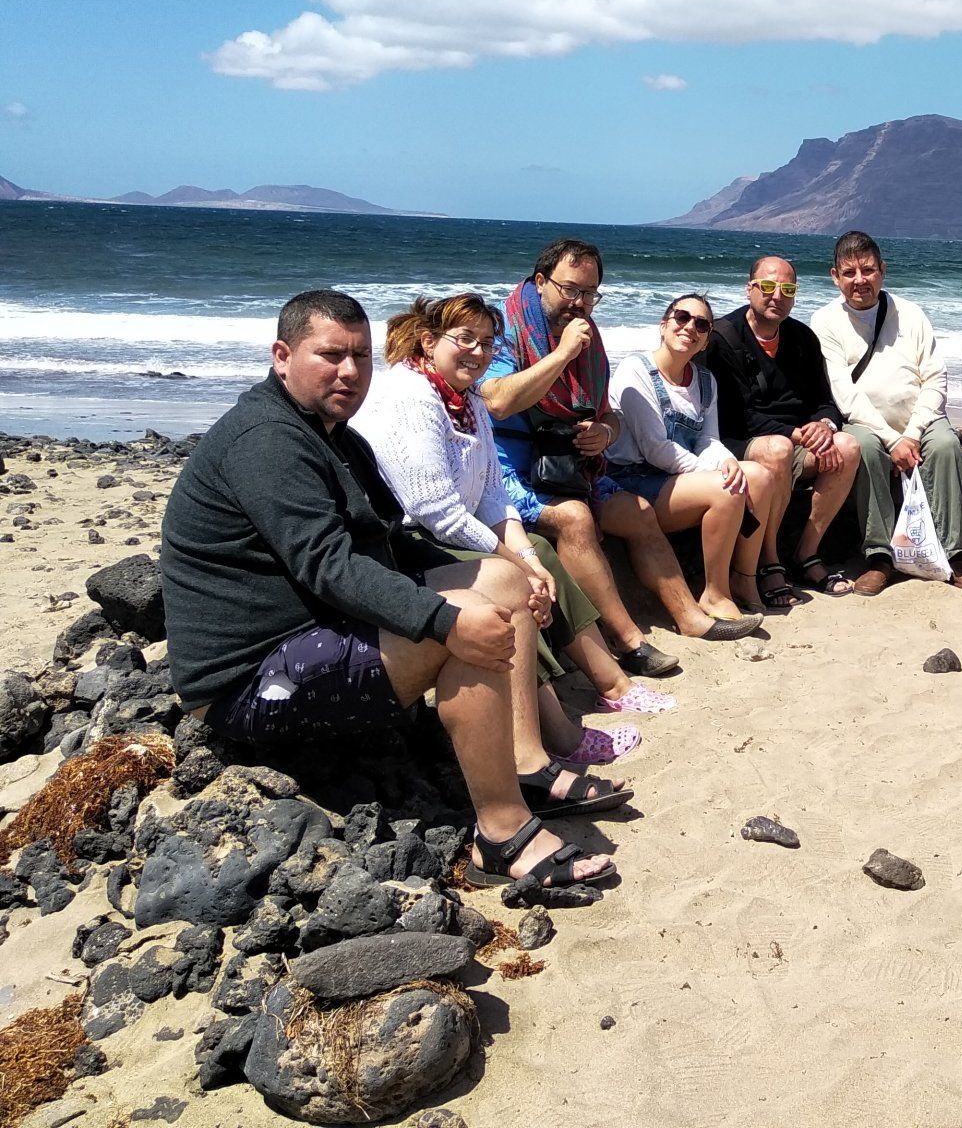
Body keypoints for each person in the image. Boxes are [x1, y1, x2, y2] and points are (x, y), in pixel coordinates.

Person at [160, 290, 623, 891]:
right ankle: (501, 835)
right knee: (466, 626)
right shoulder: (267, 440)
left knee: (502, 580)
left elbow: (387, 541)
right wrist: (444, 620)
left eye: (360, 356)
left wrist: (513, 577)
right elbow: (328, 565)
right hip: (247, 679)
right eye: (330, 355)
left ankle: (524, 764)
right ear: (282, 356)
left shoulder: (336, 436)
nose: (349, 372)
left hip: (311, 624)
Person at [356, 295, 674, 764]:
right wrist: (518, 568)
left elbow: (491, 495)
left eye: (487, 343)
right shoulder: (412, 396)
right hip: (405, 538)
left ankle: (613, 684)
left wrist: (526, 557)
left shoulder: (467, 398)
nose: (478, 352)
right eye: (465, 339)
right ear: (428, 341)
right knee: (510, 585)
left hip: (448, 527)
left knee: (541, 550)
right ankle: (558, 734)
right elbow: (434, 510)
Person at [480, 238, 755, 649]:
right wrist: (562, 354)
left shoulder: (588, 341)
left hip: (573, 468)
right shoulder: (503, 329)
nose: (579, 303)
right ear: (540, 282)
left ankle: (691, 618)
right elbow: (498, 401)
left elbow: (609, 414)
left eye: (590, 294)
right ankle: (629, 641)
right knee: (576, 519)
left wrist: (604, 433)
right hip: (513, 472)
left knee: (638, 511)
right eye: (570, 289)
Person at [809, 231, 962, 597]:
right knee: (864, 448)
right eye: (850, 272)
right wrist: (893, 441)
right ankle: (879, 557)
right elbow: (844, 394)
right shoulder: (825, 321)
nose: (860, 280)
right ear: (835, 276)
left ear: (883, 271)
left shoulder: (911, 314)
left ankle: (952, 556)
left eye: (868, 270)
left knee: (946, 446)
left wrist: (913, 434)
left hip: (919, 419)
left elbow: (935, 378)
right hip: (865, 423)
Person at [605, 294, 774, 617]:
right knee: (727, 488)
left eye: (701, 324)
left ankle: (745, 578)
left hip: (677, 480)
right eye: (681, 317)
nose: (689, 327)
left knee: (759, 477)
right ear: (663, 325)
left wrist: (726, 461)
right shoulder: (635, 370)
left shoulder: (705, 381)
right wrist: (715, 475)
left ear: (706, 339)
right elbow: (655, 448)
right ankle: (715, 593)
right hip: (632, 482)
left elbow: (707, 439)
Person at [705, 256, 863, 600]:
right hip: (741, 441)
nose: (777, 295)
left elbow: (824, 400)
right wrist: (795, 434)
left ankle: (806, 554)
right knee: (778, 448)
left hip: (796, 441)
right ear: (749, 289)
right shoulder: (723, 338)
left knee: (847, 447)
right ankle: (768, 561)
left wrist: (824, 426)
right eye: (767, 286)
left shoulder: (802, 338)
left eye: (787, 289)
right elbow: (734, 416)